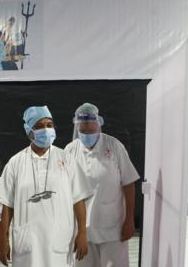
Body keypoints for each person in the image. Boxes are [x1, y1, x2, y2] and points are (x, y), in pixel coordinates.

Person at [0, 106, 93, 267]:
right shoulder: (15, 162)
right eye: (39, 126)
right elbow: (7, 205)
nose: (46, 130)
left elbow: (78, 199)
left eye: (49, 124)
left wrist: (82, 232)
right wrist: (3, 239)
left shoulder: (67, 159)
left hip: (59, 241)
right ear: (29, 131)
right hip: (27, 243)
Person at [64, 103, 140, 267]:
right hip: (82, 230)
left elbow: (129, 183)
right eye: (83, 131)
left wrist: (129, 220)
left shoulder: (114, 146)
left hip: (113, 228)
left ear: (99, 124)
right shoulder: (70, 151)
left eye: (91, 131)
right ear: (77, 128)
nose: (87, 134)